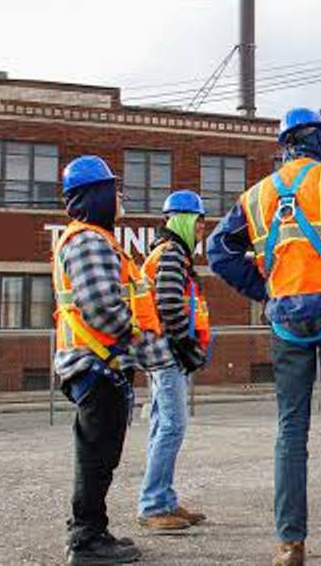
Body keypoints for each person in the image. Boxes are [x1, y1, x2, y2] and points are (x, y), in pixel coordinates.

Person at [206, 107, 321, 566]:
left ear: (285, 144)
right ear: (318, 140)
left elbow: (219, 250)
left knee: (291, 429)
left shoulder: (257, 196)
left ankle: (291, 545)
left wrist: (264, 290)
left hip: (285, 319)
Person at [53, 155, 169, 566]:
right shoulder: (87, 240)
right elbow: (103, 307)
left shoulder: (97, 239)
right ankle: (86, 541)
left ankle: (93, 531)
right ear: (96, 194)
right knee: (96, 455)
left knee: (101, 455)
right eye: (113, 190)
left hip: (101, 365)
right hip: (95, 365)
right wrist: (151, 349)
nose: (120, 198)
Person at [134, 189, 214, 533]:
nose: (201, 232)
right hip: (168, 353)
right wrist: (187, 347)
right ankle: (153, 505)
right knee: (171, 426)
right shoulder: (171, 255)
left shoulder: (169, 253)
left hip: (162, 352)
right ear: (183, 219)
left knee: (160, 425)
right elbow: (168, 305)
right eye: (198, 223)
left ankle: (163, 499)